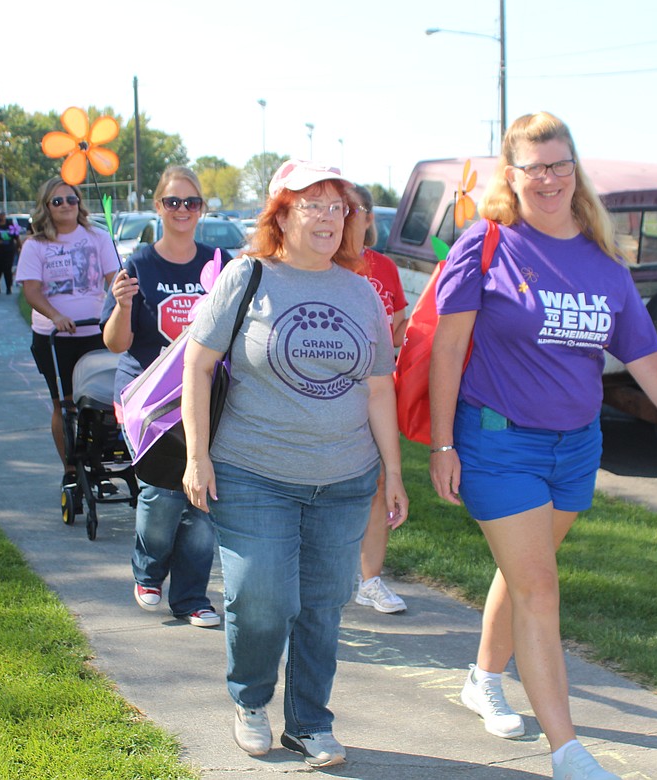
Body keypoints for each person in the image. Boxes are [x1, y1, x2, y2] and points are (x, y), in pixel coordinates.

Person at [428, 112, 657, 780]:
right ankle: (568, 751)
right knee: (539, 586)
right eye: (536, 168)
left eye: (561, 165)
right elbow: (448, 349)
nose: (551, 179)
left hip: (576, 448)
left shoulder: (604, 263)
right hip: (499, 441)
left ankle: (482, 677)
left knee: (524, 571)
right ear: (513, 176)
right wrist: (443, 445)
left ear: (575, 170)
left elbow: (642, 352)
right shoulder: (488, 244)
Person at [181, 160, 408, 768]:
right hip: (254, 472)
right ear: (281, 213)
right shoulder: (248, 276)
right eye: (314, 205)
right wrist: (197, 455)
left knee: (321, 605)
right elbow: (197, 366)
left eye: (339, 208)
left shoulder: (361, 291)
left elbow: (380, 387)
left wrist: (394, 472)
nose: (330, 218)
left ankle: (308, 722)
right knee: (262, 597)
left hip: (343, 477)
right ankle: (250, 700)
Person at [101, 166, 220, 628]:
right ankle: (148, 570)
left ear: (202, 208)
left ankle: (191, 597)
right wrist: (125, 304)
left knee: (203, 494)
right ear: (158, 207)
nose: (183, 210)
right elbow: (115, 343)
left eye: (191, 202)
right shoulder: (139, 265)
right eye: (173, 202)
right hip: (150, 398)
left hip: (204, 394)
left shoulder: (218, 261)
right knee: (162, 492)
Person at [15, 178, 120, 492]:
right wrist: (56, 316)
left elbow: (115, 279)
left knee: (100, 403)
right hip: (54, 337)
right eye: (57, 201)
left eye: (70, 200)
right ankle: (71, 468)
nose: (65, 206)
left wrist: (119, 308)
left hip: (94, 331)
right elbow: (31, 291)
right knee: (65, 404)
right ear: (46, 207)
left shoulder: (97, 238)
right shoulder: (36, 245)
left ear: (80, 203)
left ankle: (97, 462)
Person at [348, 185, 410, 614]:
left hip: (378, 390)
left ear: (369, 218)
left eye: (357, 210)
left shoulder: (384, 267)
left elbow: (400, 322)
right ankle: (326, 574)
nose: (351, 217)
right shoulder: (327, 265)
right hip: (333, 395)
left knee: (380, 485)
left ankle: (369, 580)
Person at [0, 211, 21, 294]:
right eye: (0, 215)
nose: (1, 217)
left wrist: (19, 247)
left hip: (9, 250)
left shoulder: (11, 226)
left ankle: (8, 288)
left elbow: (17, 238)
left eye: (2, 215)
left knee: (7, 269)